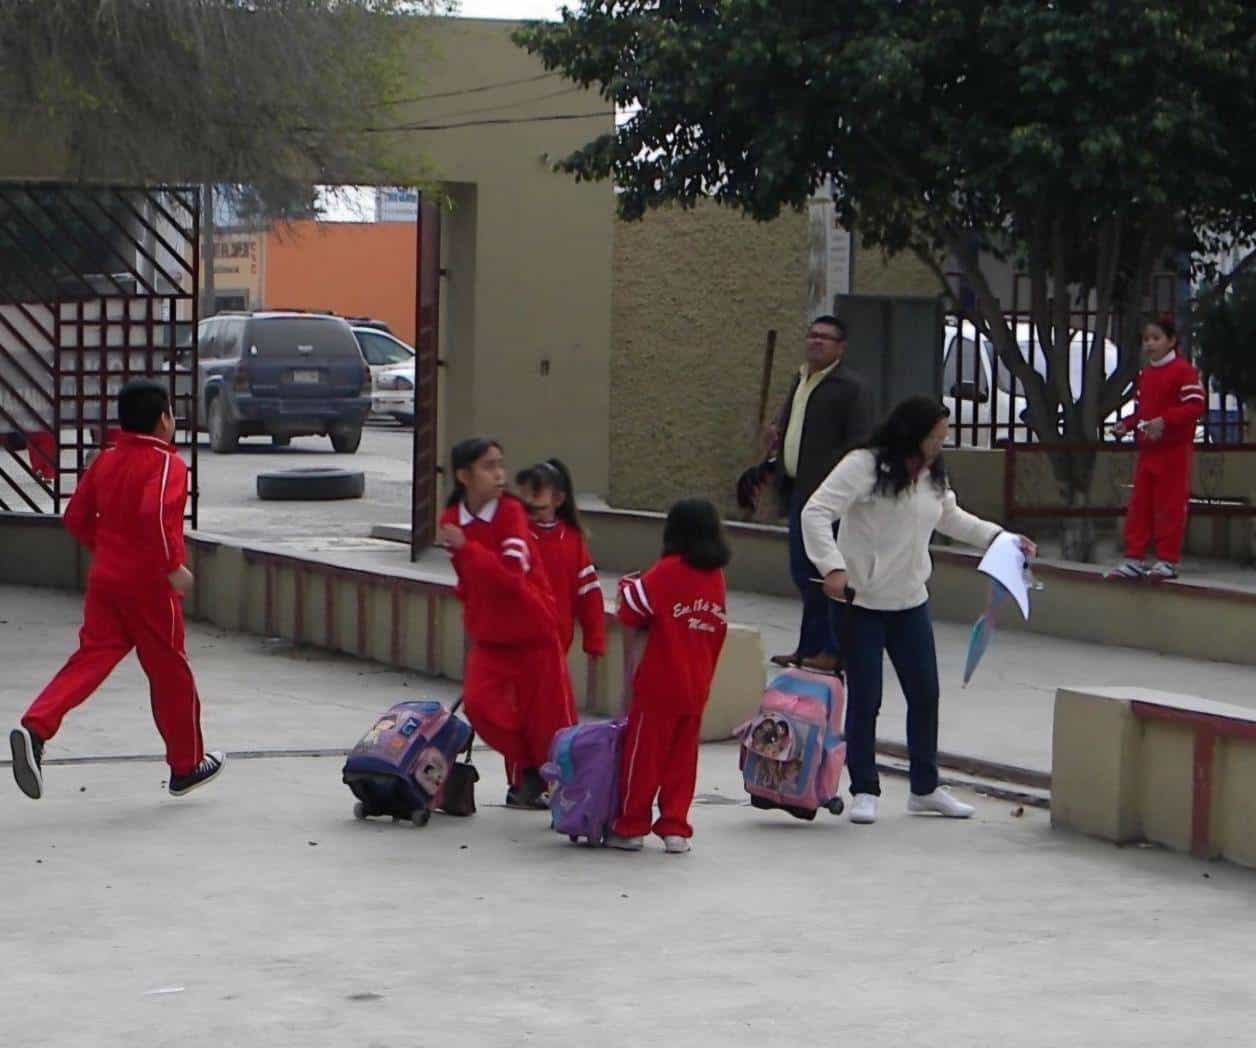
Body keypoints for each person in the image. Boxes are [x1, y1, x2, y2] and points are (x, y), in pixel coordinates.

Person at [802, 396, 1036, 825]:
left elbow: (952, 518)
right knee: (867, 696)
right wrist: (832, 567)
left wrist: (1002, 538)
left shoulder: (932, 474)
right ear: (910, 433)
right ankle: (864, 788)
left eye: (943, 438)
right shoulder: (864, 465)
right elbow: (815, 512)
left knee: (925, 693)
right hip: (861, 602)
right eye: (935, 437)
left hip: (910, 600)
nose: (940, 445)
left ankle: (925, 787)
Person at [10, 379, 225, 801]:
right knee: (171, 674)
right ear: (164, 420)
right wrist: (171, 568)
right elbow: (155, 516)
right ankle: (185, 765)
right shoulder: (168, 465)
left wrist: (108, 551)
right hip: (148, 586)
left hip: (106, 579)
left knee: (92, 657)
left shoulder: (106, 460)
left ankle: (36, 727)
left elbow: (75, 518)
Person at [437, 437, 577, 810]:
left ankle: (558, 784)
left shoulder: (511, 513)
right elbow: (470, 579)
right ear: (464, 475)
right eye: (488, 466)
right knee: (481, 708)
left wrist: (468, 549)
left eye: (500, 464)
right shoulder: (452, 519)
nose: (499, 474)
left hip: (534, 631)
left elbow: (511, 577)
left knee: (549, 719)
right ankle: (533, 766)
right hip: (491, 635)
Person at [607, 498, 730, 854]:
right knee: (682, 758)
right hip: (698, 684)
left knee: (643, 758)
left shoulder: (667, 570)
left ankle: (632, 825)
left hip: (660, 684)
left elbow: (631, 610)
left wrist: (629, 585)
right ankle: (676, 827)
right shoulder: (716, 576)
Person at [765, 315, 872, 673]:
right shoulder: (802, 379)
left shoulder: (851, 388)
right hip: (799, 491)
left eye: (826, 338)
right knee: (804, 574)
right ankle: (808, 647)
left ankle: (834, 648)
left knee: (827, 574)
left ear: (840, 347)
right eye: (812, 335)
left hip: (829, 501)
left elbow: (860, 445)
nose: (816, 342)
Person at [1107, 316, 1206, 581]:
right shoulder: (1147, 374)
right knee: (1140, 504)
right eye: (1146, 339)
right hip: (1149, 450)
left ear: (1171, 341)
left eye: (1156, 338)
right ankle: (1135, 557)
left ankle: (1168, 560)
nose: (1149, 344)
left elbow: (1195, 406)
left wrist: (1166, 421)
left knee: (1169, 505)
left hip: (1174, 451)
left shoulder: (1183, 371)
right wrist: (1127, 424)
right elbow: (1143, 411)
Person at [515, 458, 607, 660]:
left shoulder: (573, 541)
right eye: (525, 507)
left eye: (539, 508)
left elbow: (589, 593)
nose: (530, 515)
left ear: (558, 500)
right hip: (517, 638)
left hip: (557, 641)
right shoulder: (515, 536)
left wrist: (595, 639)